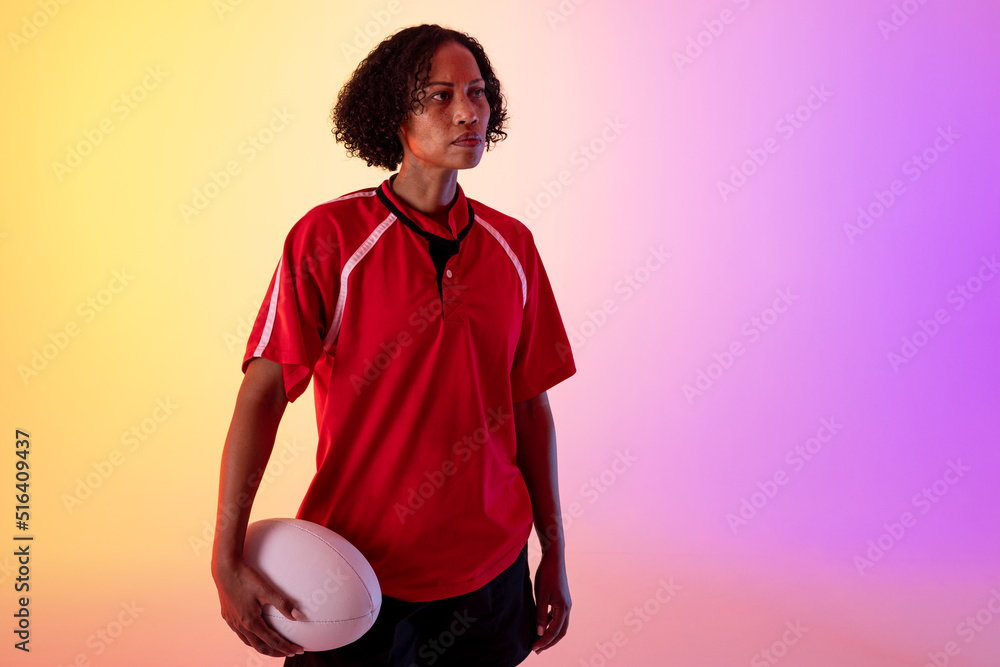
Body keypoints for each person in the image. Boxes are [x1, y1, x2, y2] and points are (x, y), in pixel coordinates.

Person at [211, 24, 577, 667]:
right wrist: (225, 556)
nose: (469, 112)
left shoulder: (513, 246)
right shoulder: (328, 239)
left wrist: (554, 555)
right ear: (393, 115)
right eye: (440, 95)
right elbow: (264, 393)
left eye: (478, 92)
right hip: (354, 573)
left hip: (490, 574)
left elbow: (531, 410)